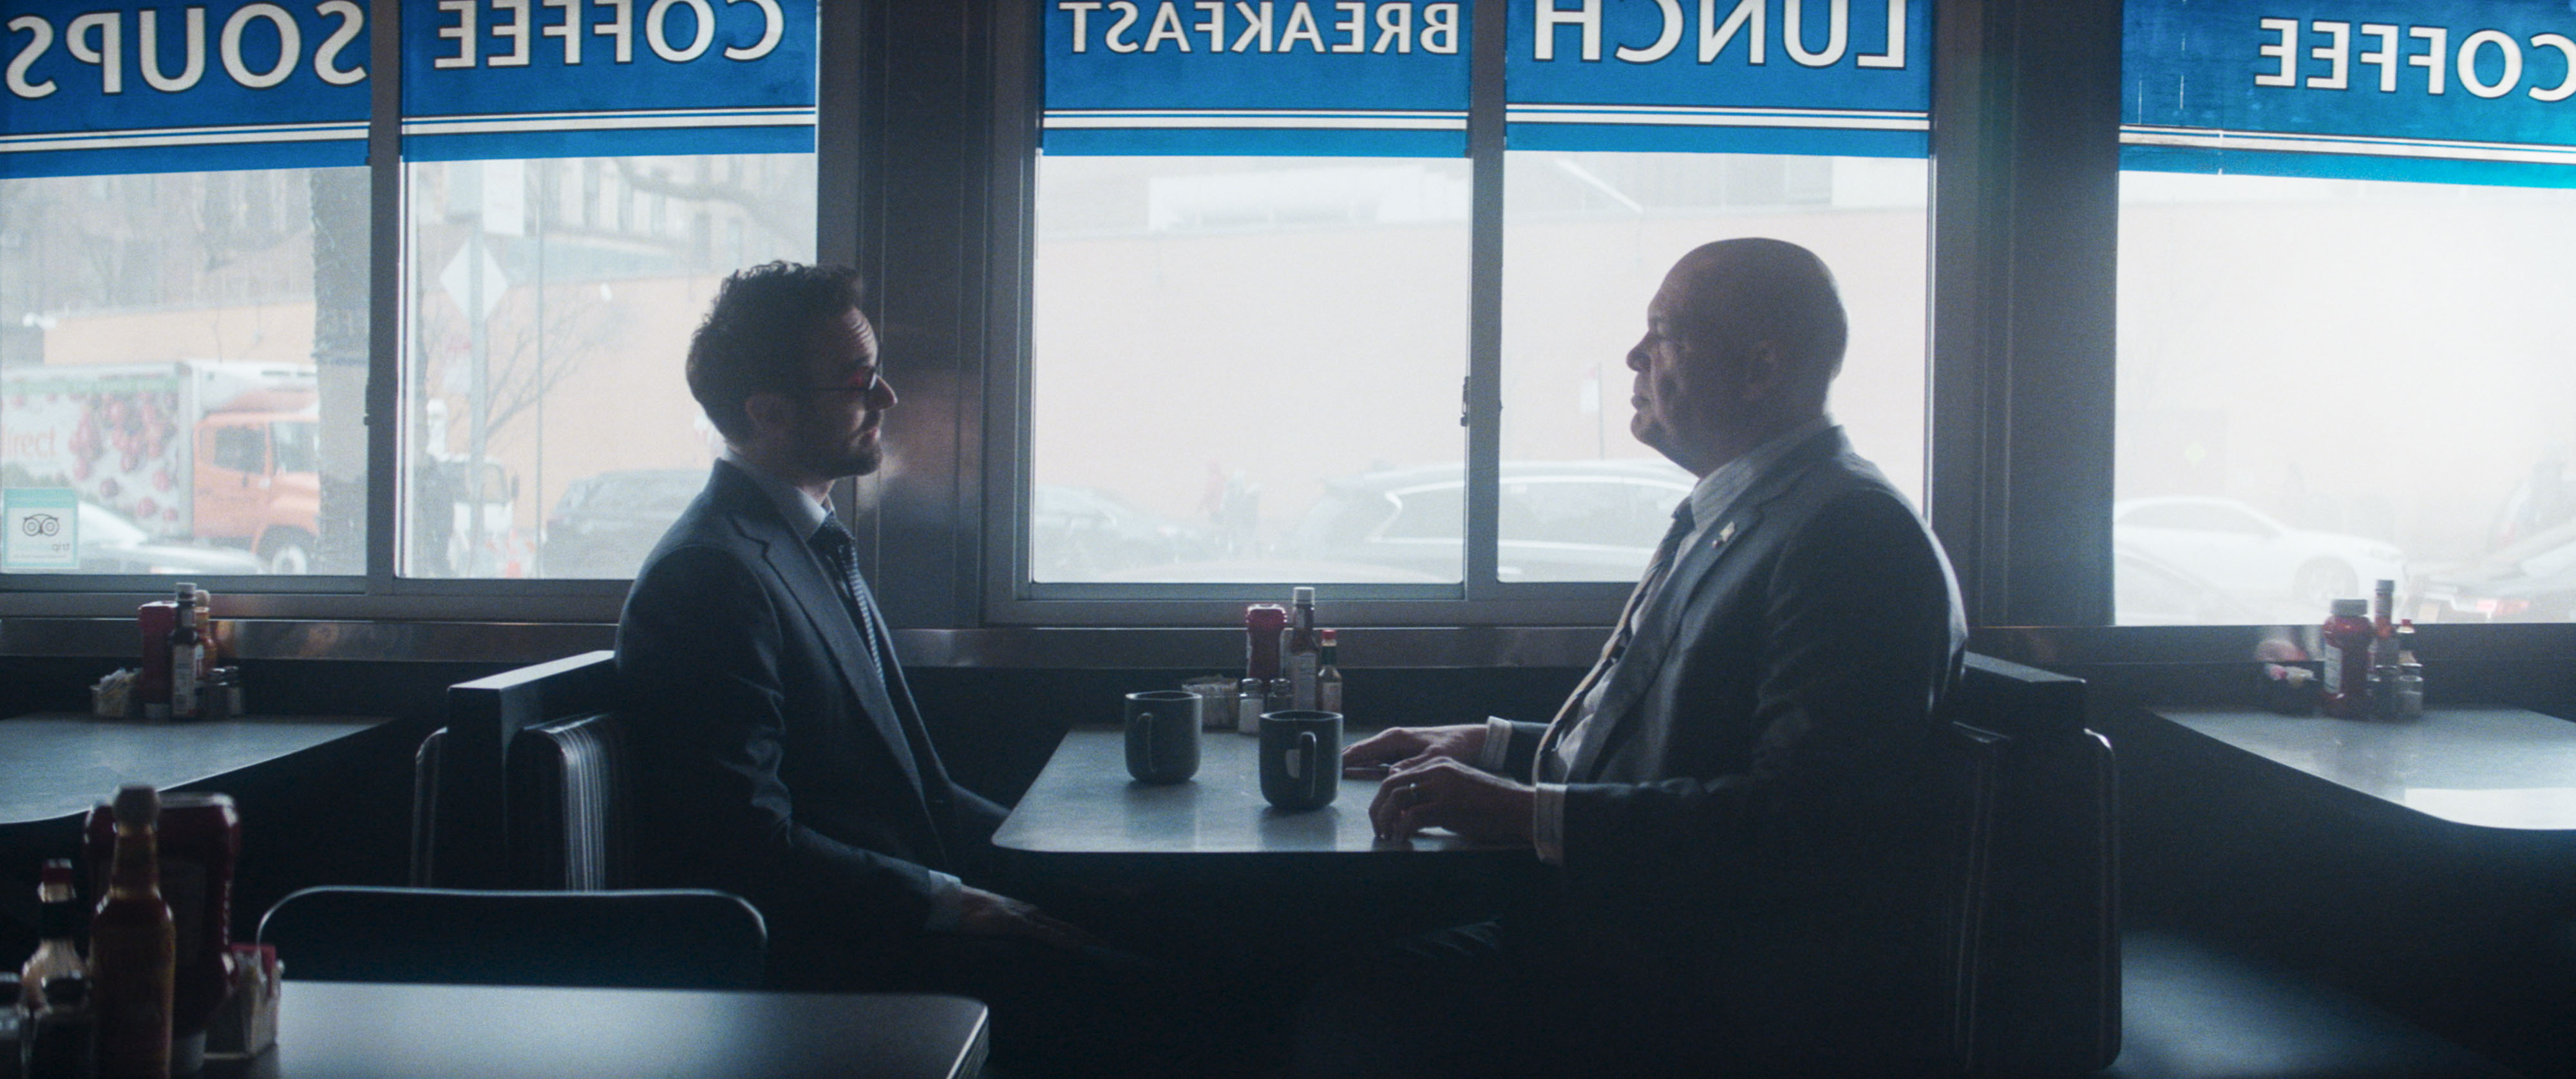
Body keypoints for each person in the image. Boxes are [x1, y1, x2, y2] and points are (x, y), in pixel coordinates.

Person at [1314, 238, 1968, 1078]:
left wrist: (1522, 811)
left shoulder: (1849, 536)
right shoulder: (1760, 509)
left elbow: (1804, 828)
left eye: (1664, 331)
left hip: (1700, 992)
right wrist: (1495, 743)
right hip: (1643, 945)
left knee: (1349, 1000)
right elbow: (1685, 739)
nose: (1634, 355)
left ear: (1761, 367)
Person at [617, 262, 1189, 1076]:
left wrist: (1069, 868)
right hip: (841, 966)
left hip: (894, 926)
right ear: (768, 413)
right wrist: (953, 902)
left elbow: (917, 793)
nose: (886, 398)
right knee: (1179, 1003)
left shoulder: (796, 546)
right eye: (859, 380)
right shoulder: (708, 578)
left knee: (1173, 941)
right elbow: (744, 848)